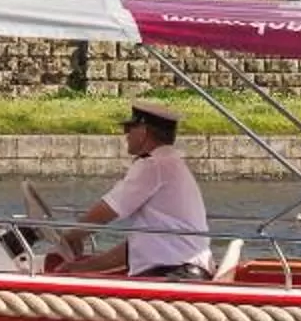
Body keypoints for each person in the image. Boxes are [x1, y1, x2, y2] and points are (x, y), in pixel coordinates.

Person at [58, 101, 211, 280]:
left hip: (174, 274)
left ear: (143, 132)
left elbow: (109, 209)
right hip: (184, 270)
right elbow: (138, 249)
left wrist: (72, 236)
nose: (126, 135)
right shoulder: (171, 162)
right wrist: (80, 268)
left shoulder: (153, 165)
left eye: (129, 128)